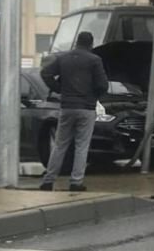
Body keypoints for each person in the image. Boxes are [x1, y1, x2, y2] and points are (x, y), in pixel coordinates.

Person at [39, 31, 109, 192]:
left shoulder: (64, 58)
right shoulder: (94, 60)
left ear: (77, 42)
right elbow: (103, 85)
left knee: (59, 145)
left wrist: (59, 89)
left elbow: (45, 73)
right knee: (81, 146)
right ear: (91, 44)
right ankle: (76, 182)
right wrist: (94, 95)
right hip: (86, 108)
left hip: (67, 106)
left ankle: (48, 181)